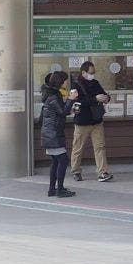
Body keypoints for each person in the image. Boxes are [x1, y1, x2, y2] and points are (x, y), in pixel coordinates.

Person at [70, 60, 113, 182]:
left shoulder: (95, 83)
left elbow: (103, 94)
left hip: (96, 121)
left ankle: (102, 172)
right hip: (82, 122)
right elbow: (76, 103)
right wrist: (95, 99)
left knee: (100, 147)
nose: (92, 75)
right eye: (91, 72)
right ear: (83, 72)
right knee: (78, 148)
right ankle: (76, 171)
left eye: (94, 72)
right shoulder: (75, 85)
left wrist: (106, 98)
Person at [40, 70, 77, 198]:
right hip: (53, 134)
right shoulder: (54, 97)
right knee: (62, 160)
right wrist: (71, 99)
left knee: (56, 162)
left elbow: (59, 112)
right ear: (60, 82)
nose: (67, 83)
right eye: (65, 80)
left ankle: (52, 189)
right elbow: (62, 112)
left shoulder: (52, 95)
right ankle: (59, 189)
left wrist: (71, 110)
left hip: (51, 133)